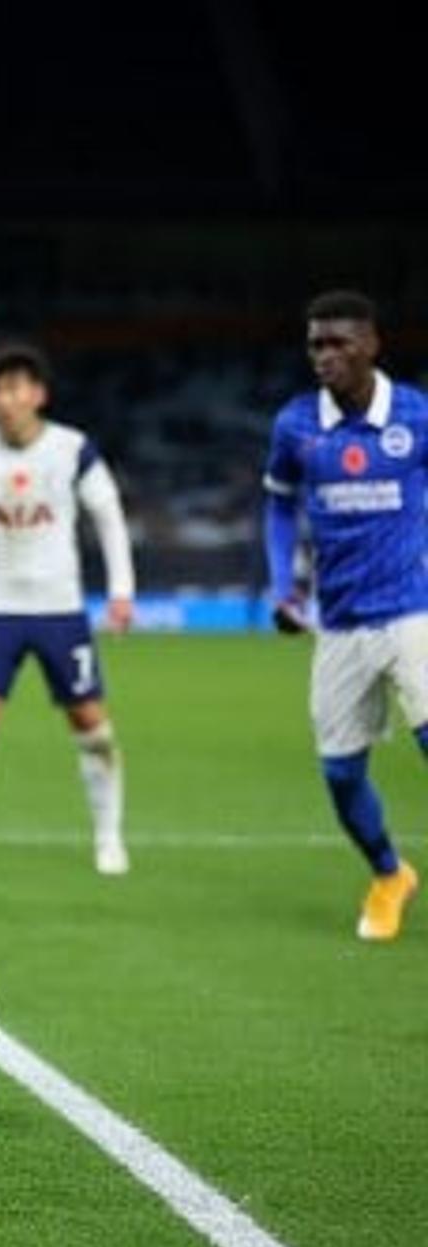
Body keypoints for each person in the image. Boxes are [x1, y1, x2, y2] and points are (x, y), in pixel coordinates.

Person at [0, 345, 135, 876]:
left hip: (60, 609)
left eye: (16, 388)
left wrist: (121, 591)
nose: (5, 399)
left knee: (90, 722)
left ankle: (109, 839)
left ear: (38, 395)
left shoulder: (73, 449)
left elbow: (108, 517)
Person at [263, 289, 427, 941]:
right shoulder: (297, 425)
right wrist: (283, 587)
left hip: (414, 609)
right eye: (316, 344)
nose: (326, 356)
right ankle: (390, 874)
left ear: (372, 344)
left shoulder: (414, 414)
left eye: (339, 343)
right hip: (339, 622)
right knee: (339, 773)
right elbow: (277, 506)